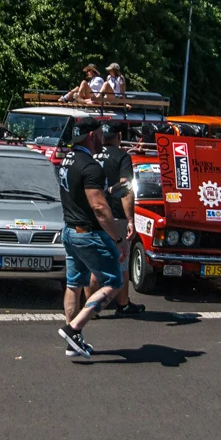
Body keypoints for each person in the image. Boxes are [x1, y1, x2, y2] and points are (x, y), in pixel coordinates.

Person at [56, 117, 126, 358]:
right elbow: (99, 208)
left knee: (74, 285)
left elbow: (82, 194)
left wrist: (110, 190)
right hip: (88, 234)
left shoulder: (68, 160)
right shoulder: (90, 165)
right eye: (100, 135)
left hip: (69, 231)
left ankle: (73, 342)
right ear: (92, 136)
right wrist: (118, 239)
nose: (103, 140)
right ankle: (74, 328)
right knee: (114, 282)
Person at [92, 123, 144, 316]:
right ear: (119, 136)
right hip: (115, 215)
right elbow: (125, 188)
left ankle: (92, 308)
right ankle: (123, 304)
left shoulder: (92, 154)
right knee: (121, 259)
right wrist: (130, 219)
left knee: (95, 263)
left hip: (93, 214)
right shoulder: (122, 157)